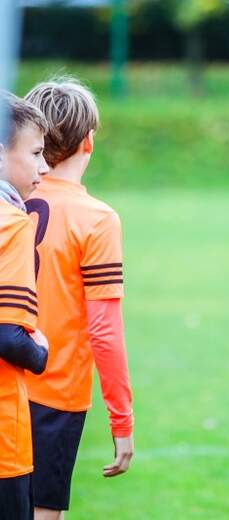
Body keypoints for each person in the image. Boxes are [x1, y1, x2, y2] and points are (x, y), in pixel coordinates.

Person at [24, 78, 134, 519]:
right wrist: (121, 419)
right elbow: (104, 331)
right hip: (54, 396)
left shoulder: (9, 202)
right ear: (89, 141)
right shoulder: (96, 219)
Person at [0, 92, 50, 519]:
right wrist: (41, 352)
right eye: (35, 153)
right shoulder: (12, 222)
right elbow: (8, 337)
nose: (44, 166)